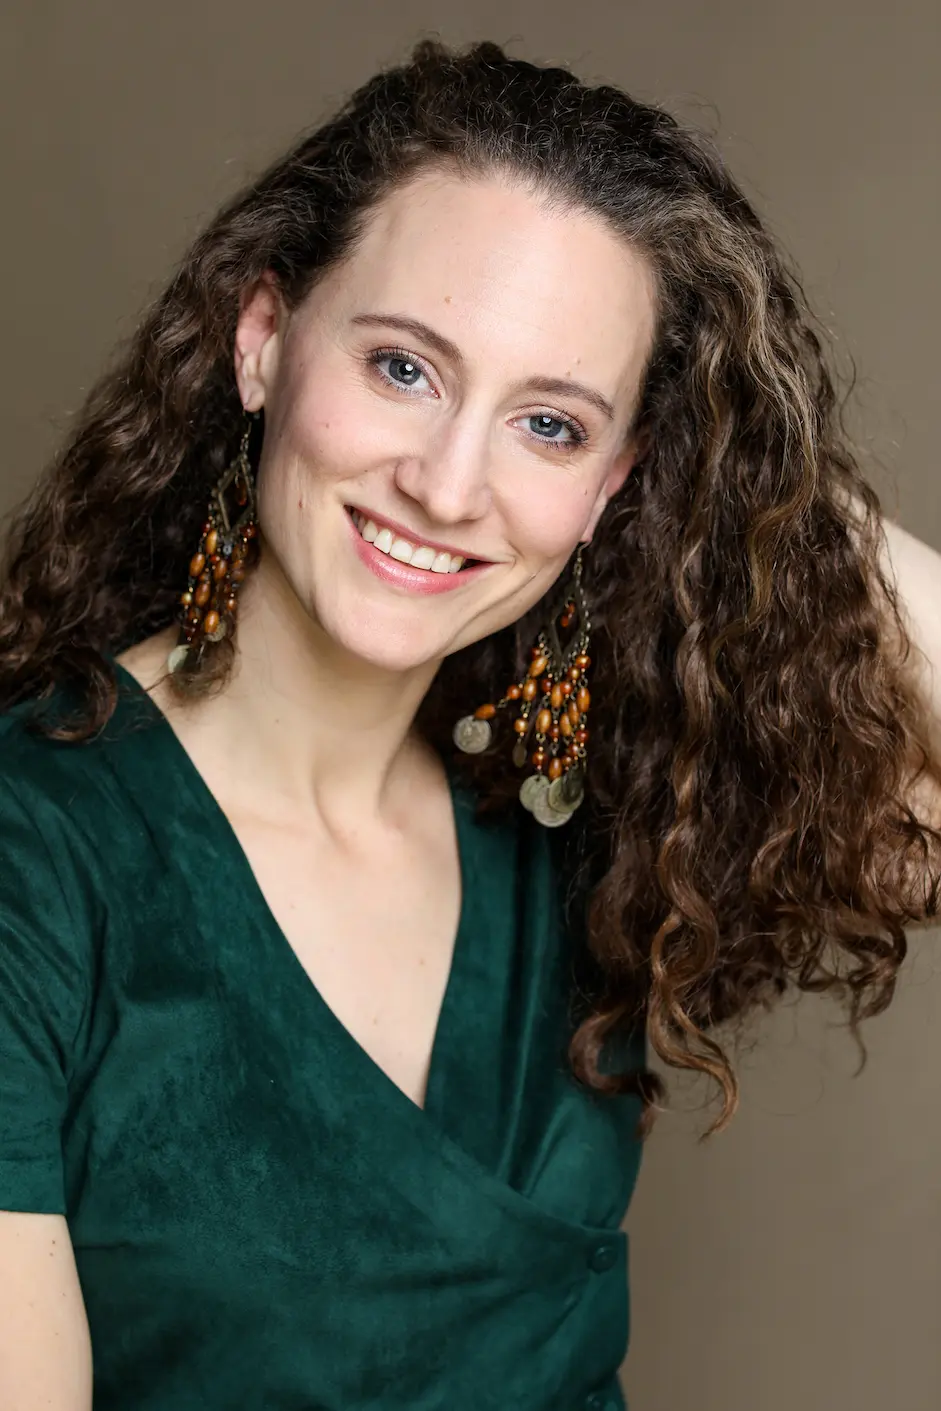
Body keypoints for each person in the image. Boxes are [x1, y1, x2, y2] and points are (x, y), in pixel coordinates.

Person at [0, 35, 938, 1411]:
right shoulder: (34, 855)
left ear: (616, 484)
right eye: (403, 367)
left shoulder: (569, 808)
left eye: (550, 426)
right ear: (262, 341)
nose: (447, 486)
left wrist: (770, 485)